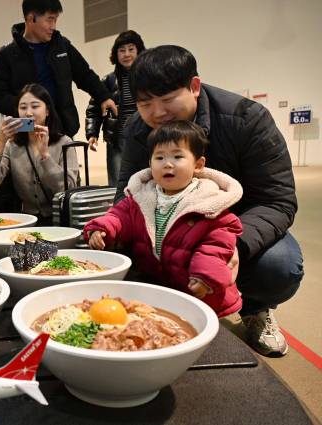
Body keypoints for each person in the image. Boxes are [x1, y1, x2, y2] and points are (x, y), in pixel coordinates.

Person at [115, 45, 303, 356]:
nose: (157, 113)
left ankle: (257, 310)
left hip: (233, 227)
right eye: (145, 103)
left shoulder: (247, 120)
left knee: (279, 265)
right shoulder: (141, 128)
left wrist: (232, 246)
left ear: (194, 87)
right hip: (171, 226)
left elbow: (276, 201)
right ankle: (162, 305)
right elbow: (129, 192)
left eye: (167, 99)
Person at [85, 121, 244, 317]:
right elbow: (120, 215)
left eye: (177, 156)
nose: (167, 163)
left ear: (198, 165)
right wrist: (102, 228)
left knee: (199, 331)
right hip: (157, 286)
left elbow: (216, 244)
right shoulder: (143, 196)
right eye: (159, 157)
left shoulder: (209, 203)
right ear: (151, 165)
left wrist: (205, 277)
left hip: (198, 292)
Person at [0, 0, 117, 138]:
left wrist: (103, 97)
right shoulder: (6, 55)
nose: (54, 27)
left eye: (56, 20)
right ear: (31, 19)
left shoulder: (61, 45)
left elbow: (84, 74)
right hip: (25, 135)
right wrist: (28, 108)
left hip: (61, 130)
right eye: (50, 20)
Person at [0, 84, 78, 226]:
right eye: (23, 107)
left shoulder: (65, 143)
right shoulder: (12, 145)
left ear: (48, 110)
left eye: (35, 106)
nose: (29, 113)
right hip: (26, 221)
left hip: (59, 220)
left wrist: (45, 156)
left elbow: (66, 190)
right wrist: (0, 142)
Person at [86, 30, 145, 187]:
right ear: (115, 54)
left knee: (146, 182)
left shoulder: (148, 78)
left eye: (131, 49)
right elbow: (94, 109)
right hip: (117, 140)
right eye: (121, 50)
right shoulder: (109, 80)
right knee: (117, 184)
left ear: (139, 51)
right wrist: (92, 133)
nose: (126, 54)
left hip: (144, 137)